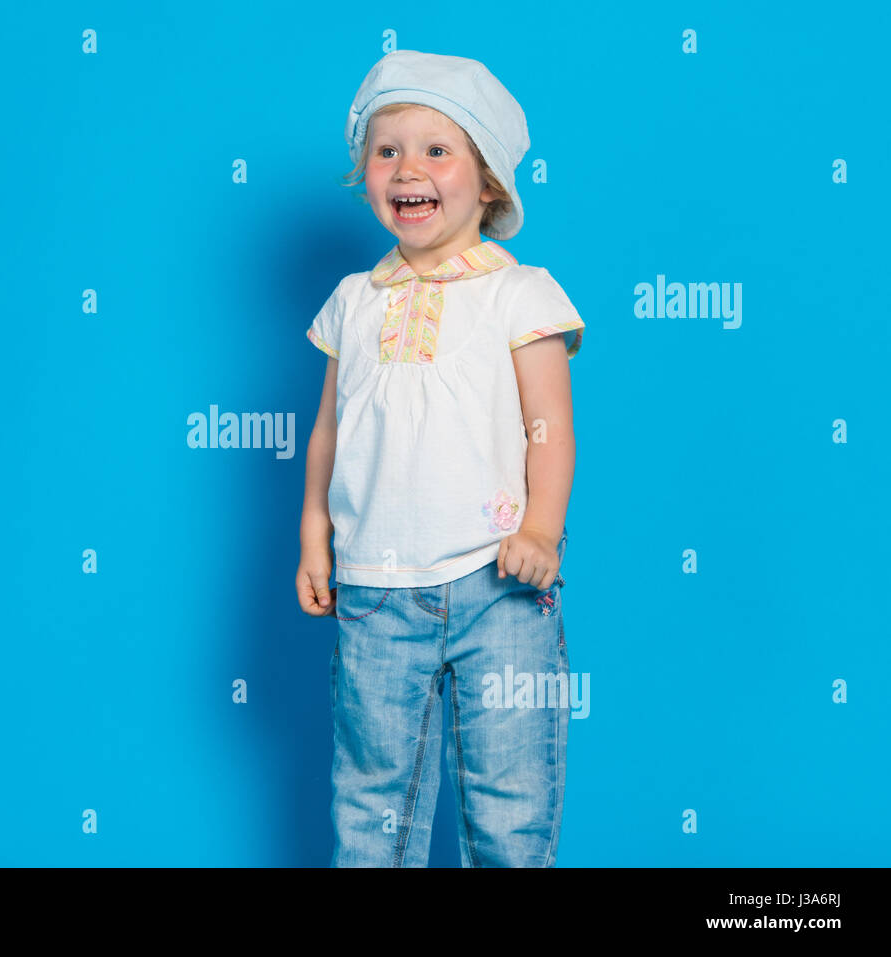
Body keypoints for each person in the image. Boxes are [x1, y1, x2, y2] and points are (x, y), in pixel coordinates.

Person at [296, 50, 586, 867]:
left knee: (509, 799)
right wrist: (316, 538)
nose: (407, 169)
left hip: (498, 583)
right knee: (371, 799)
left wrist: (543, 528)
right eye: (386, 151)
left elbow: (549, 426)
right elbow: (328, 432)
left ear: (487, 181)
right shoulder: (354, 301)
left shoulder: (519, 291)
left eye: (436, 149)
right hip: (374, 593)